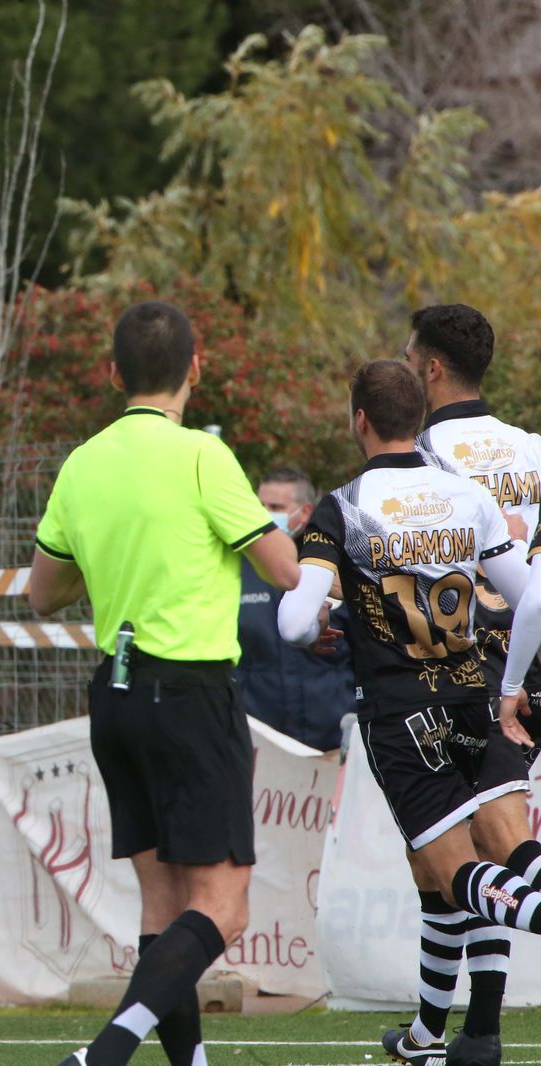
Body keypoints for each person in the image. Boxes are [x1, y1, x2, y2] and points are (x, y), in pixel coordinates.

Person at [28, 301, 300, 1066]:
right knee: (223, 907)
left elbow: (43, 594)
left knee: (163, 904)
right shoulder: (203, 457)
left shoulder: (83, 463)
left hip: (115, 697)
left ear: (113, 373)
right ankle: (104, 1054)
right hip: (189, 693)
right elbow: (283, 569)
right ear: (196, 369)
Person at [279, 360, 541, 1066]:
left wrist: (325, 614)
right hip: (476, 696)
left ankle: (442, 1030)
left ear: (359, 420)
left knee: (455, 872)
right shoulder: (467, 495)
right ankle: (427, 1037)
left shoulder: (343, 507)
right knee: (485, 858)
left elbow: (295, 622)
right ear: (419, 419)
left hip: (404, 714)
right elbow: (528, 597)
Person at [378, 304, 541, 1066]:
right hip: (529, 658)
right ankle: (447, 1030)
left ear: (433, 369)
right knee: (451, 853)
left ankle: (473, 1031)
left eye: (411, 358)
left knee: (480, 845)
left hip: (464, 668)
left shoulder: (423, 458)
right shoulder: (530, 447)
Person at [235, 465, 356, 750]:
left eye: (275, 507)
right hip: (260, 740)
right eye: (260, 506)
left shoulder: (336, 569)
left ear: (305, 512)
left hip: (331, 738)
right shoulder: (240, 569)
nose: (265, 514)